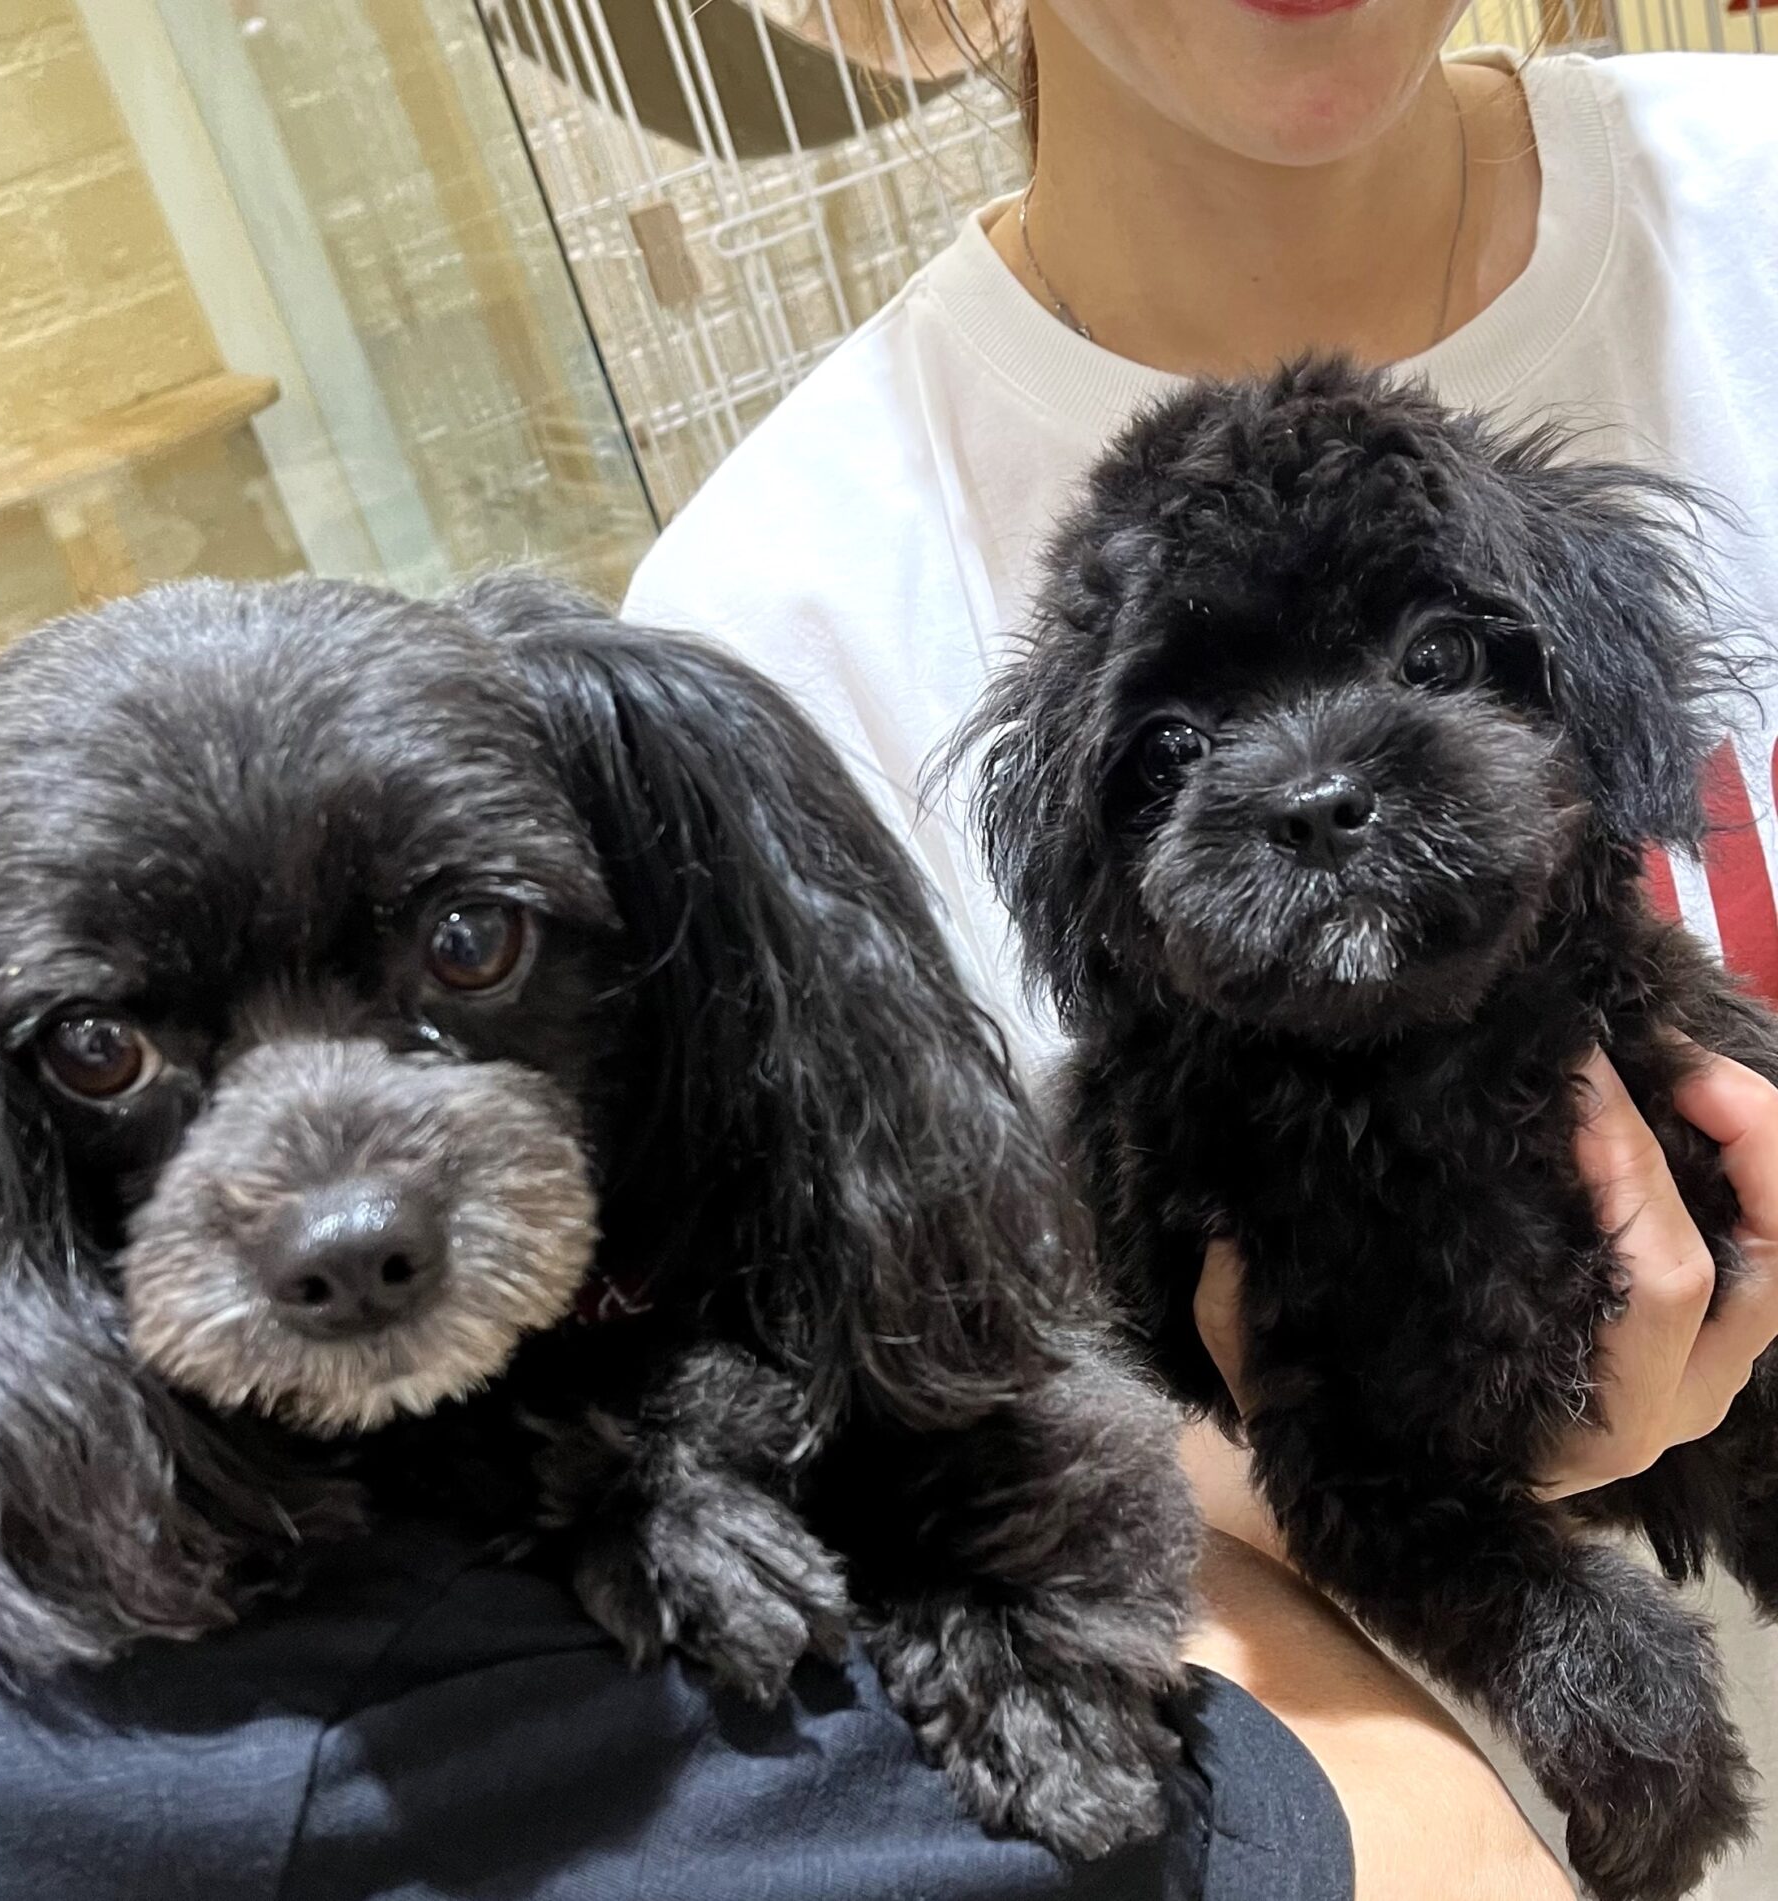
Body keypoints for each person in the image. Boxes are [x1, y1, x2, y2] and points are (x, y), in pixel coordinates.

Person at [623, 6, 1778, 1892]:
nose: (1317, 791)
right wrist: (1276, 1481)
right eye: (1169, 754)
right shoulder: (757, 648)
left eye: (1436, 663)